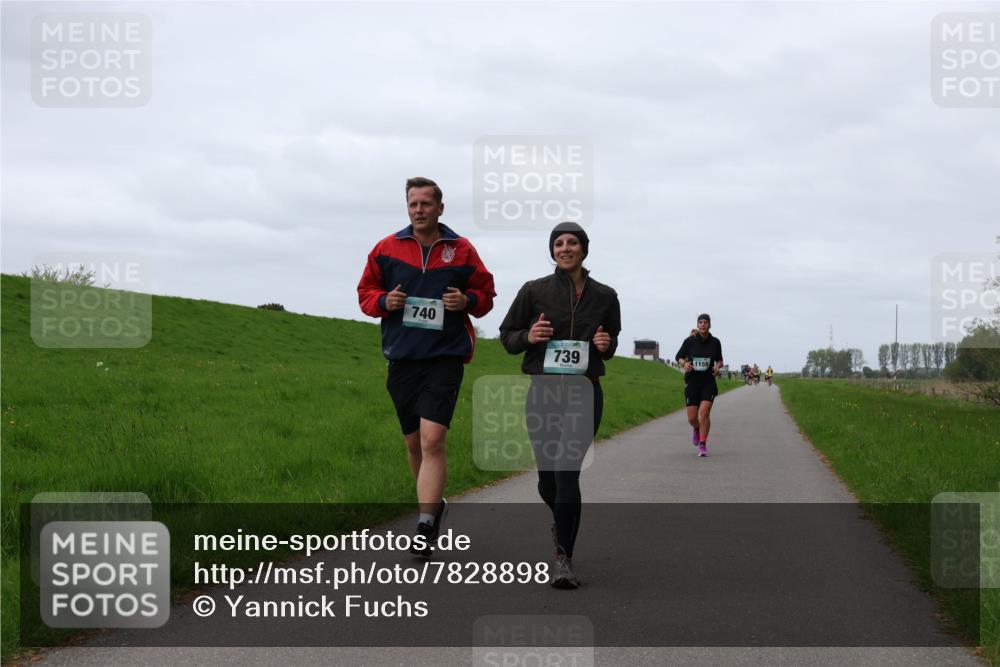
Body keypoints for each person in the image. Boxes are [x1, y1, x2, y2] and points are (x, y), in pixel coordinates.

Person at [358, 177, 496, 558]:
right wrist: (386, 301)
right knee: (413, 443)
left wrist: (465, 300)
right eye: (412, 204)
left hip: (445, 357)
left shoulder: (461, 249)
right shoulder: (386, 248)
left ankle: (424, 524)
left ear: (440, 207)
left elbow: (486, 295)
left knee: (433, 439)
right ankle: (434, 506)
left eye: (425, 204)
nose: (419, 210)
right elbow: (365, 295)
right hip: (403, 358)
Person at [500, 221, 621, 589]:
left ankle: (563, 558)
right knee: (547, 481)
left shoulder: (605, 295)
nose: (565, 248)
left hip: (585, 392)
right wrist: (528, 335)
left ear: (584, 248)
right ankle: (564, 519)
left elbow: (612, 340)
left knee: (568, 474)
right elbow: (507, 337)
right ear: (552, 250)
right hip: (544, 393)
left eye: (572, 242)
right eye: (558, 243)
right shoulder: (534, 290)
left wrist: (605, 345)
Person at [675, 315, 723, 457]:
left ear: (709, 325)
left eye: (705, 322)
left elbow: (720, 359)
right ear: (697, 325)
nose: (703, 325)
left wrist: (718, 366)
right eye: (700, 322)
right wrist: (684, 363)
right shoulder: (689, 341)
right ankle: (696, 428)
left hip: (708, 382)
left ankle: (703, 445)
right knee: (692, 418)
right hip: (692, 382)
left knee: (704, 413)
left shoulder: (715, 342)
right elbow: (678, 356)